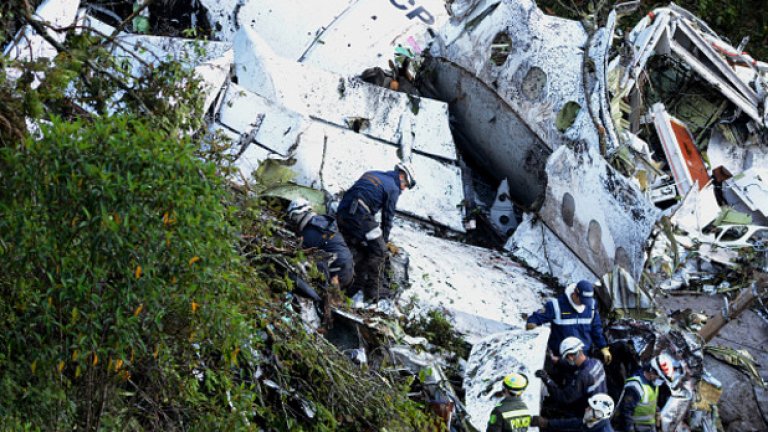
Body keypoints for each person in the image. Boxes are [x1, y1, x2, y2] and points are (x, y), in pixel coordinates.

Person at [335, 162, 416, 300]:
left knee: (360, 250)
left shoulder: (374, 173)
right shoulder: (394, 187)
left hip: (342, 213)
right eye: (406, 185)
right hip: (359, 214)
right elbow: (387, 217)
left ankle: (346, 287)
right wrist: (383, 242)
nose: (404, 189)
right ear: (402, 176)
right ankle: (373, 291)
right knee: (379, 251)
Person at [526, 280, 612, 364]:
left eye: (586, 302)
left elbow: (596, 329)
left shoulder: (591, 306)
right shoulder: (556, 306)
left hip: (582, 357)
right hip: (561, 358)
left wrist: (603, 347)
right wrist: (532, 324)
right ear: (575, 294)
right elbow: (535, 319)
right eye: (582, 301)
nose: (584, 304)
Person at [286, 198, 354, 293]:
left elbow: (299, 256)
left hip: (336, 271)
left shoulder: (309, 232)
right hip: (348, 268)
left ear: (301, 213)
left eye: (293, 217)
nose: (293, 221)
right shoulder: (322, 221)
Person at [536, 337, 608, 418]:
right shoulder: (596, 362)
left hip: (588, 415)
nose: (567, 360)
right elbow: (575, 367)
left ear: (570, 357)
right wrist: (558, 361)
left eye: (566, 357)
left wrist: (547, 379)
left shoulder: (582, 376)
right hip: (602, 407)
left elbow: (564, 397)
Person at [617, 354, 675, 432]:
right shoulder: (635, 386)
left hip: (649, 427)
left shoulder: (653, 384)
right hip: (636, 427)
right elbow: (625, 413)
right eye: (661, 378)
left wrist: (657, 411)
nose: (661, 382)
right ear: (652, 371)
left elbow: (649, 402)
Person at [533, 393, 615, 432]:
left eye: (590, 408)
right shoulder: (593, 420)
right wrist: (547, 423)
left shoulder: (603, 430)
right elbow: (573, 423)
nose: (586, 409)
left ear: (598, 414)